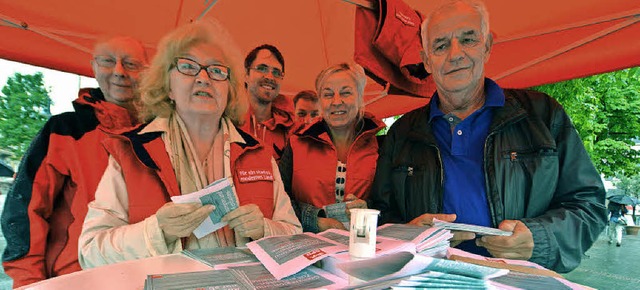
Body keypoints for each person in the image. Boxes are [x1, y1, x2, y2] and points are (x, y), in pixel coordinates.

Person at [370, 0, 606, 273]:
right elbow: (381, 214)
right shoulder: (402, 131)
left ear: (487, 46)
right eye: (441, 45)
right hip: (431, 277)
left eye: (468, 39)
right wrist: (406, 233)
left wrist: (539, 239)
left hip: (517, 279)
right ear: (426, 61)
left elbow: (589, 205)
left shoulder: (542, 115)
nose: (455, 54)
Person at [78, 19, 301, 268]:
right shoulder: (132, 152)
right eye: (187, 66)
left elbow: (294, 232)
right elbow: (90, 252)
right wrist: (157, 231)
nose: (203, 78)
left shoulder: (257, 153)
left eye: (217, 70)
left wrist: (265, 230)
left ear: (230, 90)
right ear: (168, 86)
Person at [0, 36, 147, 287]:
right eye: (108, 61)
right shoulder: (63, 130)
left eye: (131, 64)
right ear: (93, 66)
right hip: (76, 278)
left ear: (146, 72)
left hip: (144, 275)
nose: (119, 72)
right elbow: (25, 210)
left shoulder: (162, 131)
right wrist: (29, 282)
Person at [279, 63, 385, 233]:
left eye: (345, 93)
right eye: (328, 94)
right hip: (309, 248)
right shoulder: (296, 144)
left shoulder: (381, 146)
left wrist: (369, 209)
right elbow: (278, 200)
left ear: (359, 98)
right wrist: (314, 220)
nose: (336, 101)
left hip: (361, 246)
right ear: (320, 102)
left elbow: (390, 204)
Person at [240, 44, 295, 161]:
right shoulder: (228, 121)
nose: (270, 77)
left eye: (276, 72)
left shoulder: (291, 131)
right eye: (262, 68)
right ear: (245, 75)